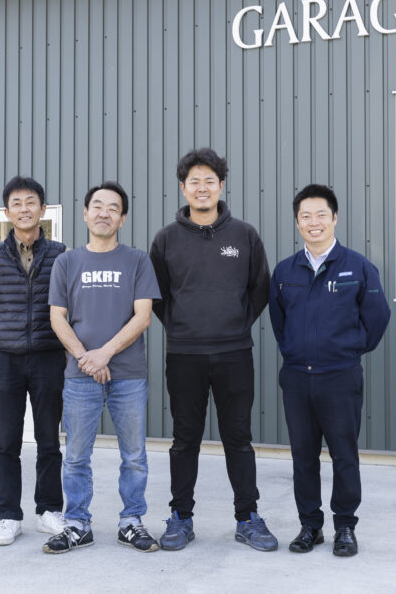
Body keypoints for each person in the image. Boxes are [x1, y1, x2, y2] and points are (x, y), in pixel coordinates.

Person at [149, 147, 277, 552]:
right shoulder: (166, 239)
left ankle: (247, 518)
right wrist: (182, 328)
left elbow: (260, 288)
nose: (202, 188)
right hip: (184, 355)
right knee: (184, 438)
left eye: (210, 181)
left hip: (234, 353)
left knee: (238, 437)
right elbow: (157, 295)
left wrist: (235, 324)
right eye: (194, 181)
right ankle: (180, 517)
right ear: (183, 188)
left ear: (221, 186)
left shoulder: (244, 235)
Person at [268, 184, 391, 557]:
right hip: (297, 378)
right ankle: (310, 526)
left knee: (343, 454)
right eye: (305, 216)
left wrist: (349, 350)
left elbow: (378, 317)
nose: (314, 222)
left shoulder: (358, 267)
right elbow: (279, 322)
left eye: (321, 214)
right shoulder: (285, 271)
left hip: (340, 377)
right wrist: (295, 352)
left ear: (334, 218)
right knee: (303, 457)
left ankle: (345, 527)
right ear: (297, 222)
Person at [43, 181, 161, 554]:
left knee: (134, 456)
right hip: (80, 378)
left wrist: (104, 354)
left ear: (122, 219)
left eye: (113, 208)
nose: (104, 213)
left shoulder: (137, 260)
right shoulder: (66, 262)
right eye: (97, 206)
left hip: (128, 376)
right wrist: (86, 358)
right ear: (85, 213)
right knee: (76, 456)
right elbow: (57, 318)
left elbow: (143, 317)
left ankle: (131, 522)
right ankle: (77, 524)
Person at [0, 176, 68, 546]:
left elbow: (72, 310)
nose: (24, 209)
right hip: (5, 360)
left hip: (48, 358)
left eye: (31, 202)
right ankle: (9, 516)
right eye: (17, 203)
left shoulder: (62, 255)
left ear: (43, 209)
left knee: (49, 440)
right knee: (6, 442)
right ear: (7, 212)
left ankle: (49, 510)